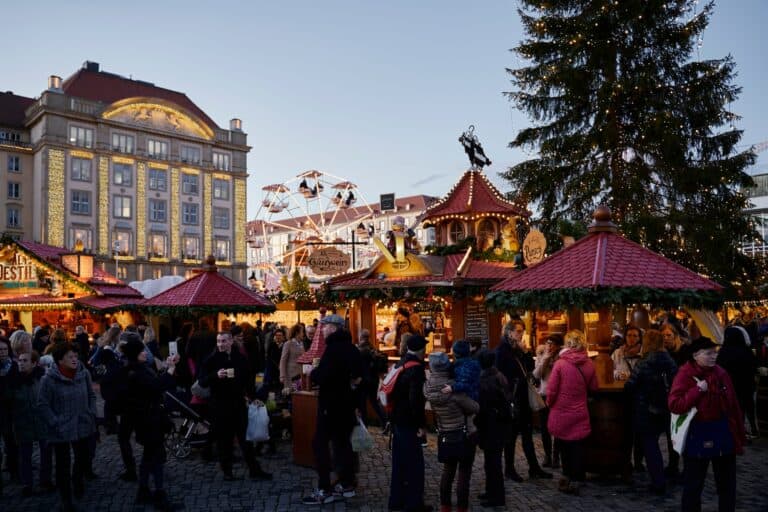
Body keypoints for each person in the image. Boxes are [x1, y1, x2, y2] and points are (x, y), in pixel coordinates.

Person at [668, 336, 746, 512]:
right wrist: (697, 390)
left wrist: (739, 437)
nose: (713, 356)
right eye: (708, 353)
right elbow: (674, 404)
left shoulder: (721, 373)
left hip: (722, 433)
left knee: (727, 486)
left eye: (714, 353)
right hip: (697, 434)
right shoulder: (685, 374)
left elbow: (733, 406)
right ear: (695, 355)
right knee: (693, 486)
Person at [302, 314, 363, 506]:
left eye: (325, 326)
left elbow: (324, 376)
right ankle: (346, 485)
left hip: (331, 406)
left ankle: (324, 489)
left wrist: (313, 372)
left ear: (334, 328)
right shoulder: (352, 349)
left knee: (320, 444)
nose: (322, 329)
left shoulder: (333, 349)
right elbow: (361, 376)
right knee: (342, 445)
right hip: (347, 406)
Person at [199, 331, 271, 481]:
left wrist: (253, 397)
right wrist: (215, 376)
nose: (220, 344)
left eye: (224, 341)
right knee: (224, 440)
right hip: (219, 405)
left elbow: (248, 381)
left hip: (238, 404)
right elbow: (202, 381)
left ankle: (254, 470)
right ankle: (227, 472)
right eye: (218, 341)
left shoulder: (241, 359)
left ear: (231, 341)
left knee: (245, 439)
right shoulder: (211, 359)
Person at [118, 337, 179, 511]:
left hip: (149, 419)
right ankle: (159, 494)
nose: (145, 352)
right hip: (148, 420)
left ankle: (144, 490)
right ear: (135, 355)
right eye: (141, 351)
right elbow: (155, 386)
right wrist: (171, 369)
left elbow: (155, 382)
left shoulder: (138, 369)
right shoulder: (135, 372)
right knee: (156, 457)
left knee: (148, 455)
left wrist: (167, 367)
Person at [37, 342, 97, 512]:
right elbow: (42, 404)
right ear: (59, 360)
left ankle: (77, 481)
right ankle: (66, 499)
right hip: (61, 428)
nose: (74, 360)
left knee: (83, 458)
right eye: (70, 357)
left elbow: (92, 395)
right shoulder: (48, 380)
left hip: (83, 424)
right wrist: (54, 421)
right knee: (63, 464)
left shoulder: (83, 374)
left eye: (76, 356)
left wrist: (91, 413)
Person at [495, 320, 552, 481]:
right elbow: (500, 376)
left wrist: (526, 352)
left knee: (527, 434)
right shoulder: (501, 351)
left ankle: (534, 468)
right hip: (512, 398)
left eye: (522, 331)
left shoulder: (517, 349)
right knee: (511, 436)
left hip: (523, 396)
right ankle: (509, 469)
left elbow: (530, 370)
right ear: (509, 332)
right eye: (519, 331)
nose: (521, 334)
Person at [624, 329, 678, 494]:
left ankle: (658, 481)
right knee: (658, 442)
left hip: (646, 408)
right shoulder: (669, 360)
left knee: (651, 445)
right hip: (666, 408)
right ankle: (665, 474)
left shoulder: (644, 362)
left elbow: (630, 386)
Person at [424, 351, 478, 512]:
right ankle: (462, 507)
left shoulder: (428, 388)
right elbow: (475, 407)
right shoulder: (453, 388)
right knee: (464, 471)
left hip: (445, 433)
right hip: (464, 433)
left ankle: (445, 505)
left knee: (448, 470)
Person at [546, 329, 598, 495]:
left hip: (561, 411)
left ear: (568, 344)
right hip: (580, 411)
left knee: (563, 445)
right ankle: (578, 476)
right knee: (577, 446)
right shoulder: (589, 364)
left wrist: (549, 403)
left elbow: (552, 390)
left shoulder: (560, 364)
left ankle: (567, 475)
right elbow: (594, 387)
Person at [386, 334, 432, 512]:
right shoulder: (416, 369)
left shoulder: (400, 363)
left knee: (399, 463)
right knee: (414, 464)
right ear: (421, 350)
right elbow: (416, 400)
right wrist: (421, 425)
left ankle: (396, 500)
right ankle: (414, 503)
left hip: (397, 419)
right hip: (409, 422)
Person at [10, 351, 54, 496]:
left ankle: (45, 480)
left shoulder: (43, 378)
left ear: (34, 363)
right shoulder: (14, 380)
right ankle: (27, 484)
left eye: (25, 361)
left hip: (41, 421)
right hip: (23, 422)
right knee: (25, 455)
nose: (21, 363)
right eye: (20, 361)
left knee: (46, 453)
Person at [475, 349, 512, 508]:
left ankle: (496, 497)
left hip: (492, 425)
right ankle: (491, 492)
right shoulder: (498, 375)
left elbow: (483, 407)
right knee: (491, 462)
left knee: (493, 463)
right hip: (498, 424)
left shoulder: (486, 380)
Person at [717, 325, 759, 439]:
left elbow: (719, 368)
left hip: (731, 386)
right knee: (749, 406)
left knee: (736, 408)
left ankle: (738, 430)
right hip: (747, 384)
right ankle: (753, 428)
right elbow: (754, 366)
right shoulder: (746, 351)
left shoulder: (723, 352)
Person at [614, 324, 644, 471]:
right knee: (625, 431)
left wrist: (632, 376)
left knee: (639, 432)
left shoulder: (644, 354)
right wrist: (618, 375)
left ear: (640, 338)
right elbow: (612, 369)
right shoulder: (618, 353)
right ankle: (626, 461)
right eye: (629, 335)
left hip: (639, 396)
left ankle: (639, 461)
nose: (631, 339)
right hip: (623, 395)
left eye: (635, 336)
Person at [533, 333, 563, 468]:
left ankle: (556, 455)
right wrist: (545, 358)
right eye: (548, 343)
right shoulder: (541, 355)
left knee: (557, 427)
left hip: (558, 395)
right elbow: (537, 374)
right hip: (544, 394)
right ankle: (547, 455)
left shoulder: (562, 358)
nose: (549, 346)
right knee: (545, 427)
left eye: (552, 344)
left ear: (558, 346)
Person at [357, 329, 389, 429]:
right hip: (374, 379)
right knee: (374, 402)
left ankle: (364, 425)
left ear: (361, 337)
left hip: (364, 380)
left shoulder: (361, 350)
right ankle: (384, 421)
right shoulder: (373, 348)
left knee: (362, 404)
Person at [0, 337, 19, 482]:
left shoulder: (14, 366)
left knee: (11, 441)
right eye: (0, 349)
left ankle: (14, 471)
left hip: (11, 410)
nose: (2, 352)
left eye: (5, 349)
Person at [280, 323, 306, 395]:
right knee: (291, 394)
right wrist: (282, 376)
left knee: (299, 395)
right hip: (290, 375)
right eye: (302, 332)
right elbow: (283, 360)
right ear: (297, 333)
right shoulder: (288, 344)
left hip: (300, 374)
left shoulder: (301, 344)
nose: (303, 334)